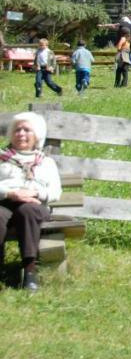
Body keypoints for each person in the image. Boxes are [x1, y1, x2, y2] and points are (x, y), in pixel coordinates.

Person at [0, 112, 61, 291]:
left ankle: (29, 270)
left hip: (34, 206)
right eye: (17, 130)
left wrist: (35, 192)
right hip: (4, 201)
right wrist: (11, 193)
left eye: (27, 130)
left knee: (27, 210)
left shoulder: (46, 163)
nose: (21, 134)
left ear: (37, 136)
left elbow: (55, 192)